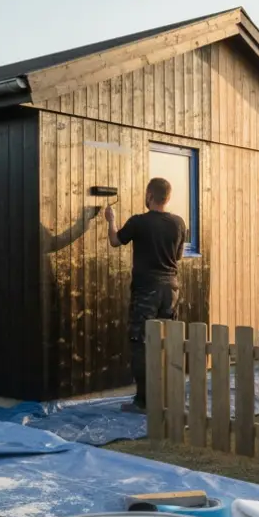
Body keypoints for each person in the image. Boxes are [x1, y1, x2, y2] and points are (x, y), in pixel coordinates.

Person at [104, 177, 187, 414]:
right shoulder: (179, 223)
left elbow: (114, 241)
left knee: (140, 344)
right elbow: (178, 257)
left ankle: (143, 402)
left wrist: (111, 221)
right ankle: (169, 397)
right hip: (171, 289)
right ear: (168, 197)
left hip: (147, 290)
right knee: (168, 342)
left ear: (150, 195)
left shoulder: (139, 222)